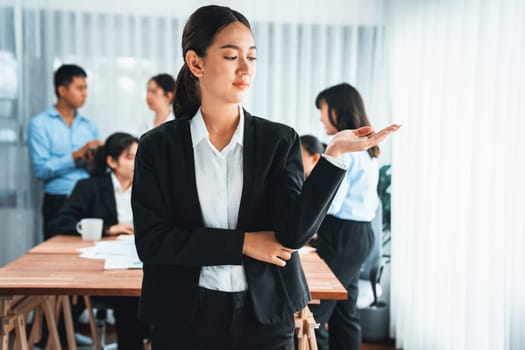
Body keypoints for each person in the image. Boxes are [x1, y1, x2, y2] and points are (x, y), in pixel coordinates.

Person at [131, 5, 399, 350]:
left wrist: (333, 156)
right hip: (182, 315)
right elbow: (153, 243)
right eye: (231, 56)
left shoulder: (278, 140)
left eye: (252, 57)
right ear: (196, 63)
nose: (245, 69)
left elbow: (293, 234)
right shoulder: (158, 146)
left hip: (266, 314)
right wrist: (245, 243)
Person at [49, 132, 150, 350]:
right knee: (128, 301)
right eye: (130, 157)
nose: (138, 162)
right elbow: (60, 223)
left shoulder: (148, 187)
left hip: (136, 264)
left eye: (139, 156)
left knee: (140, 297)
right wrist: (106, 228)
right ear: (111, 161)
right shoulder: (89, 187)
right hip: (99, 269)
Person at [308, 83, 382, 350]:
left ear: (338, 111)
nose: (320, 117)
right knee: (345, 315)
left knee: (315, 316)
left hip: (343, 236)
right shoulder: (367, 149)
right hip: (359, 236)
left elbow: (333, 203)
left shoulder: (344, 150)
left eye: (323, 110)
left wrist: (309, 193)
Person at [28, 64, 102, 240]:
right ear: (62, 90)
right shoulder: (40, 124)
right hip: (57, 200)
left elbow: (97, 171)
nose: (85, 93)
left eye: (86, 88)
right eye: (79, 88)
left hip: (87, 198)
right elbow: (41, 170)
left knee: (90, 252)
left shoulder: (89, 126)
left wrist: (95, 160)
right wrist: (77, 155)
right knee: (54, 255)